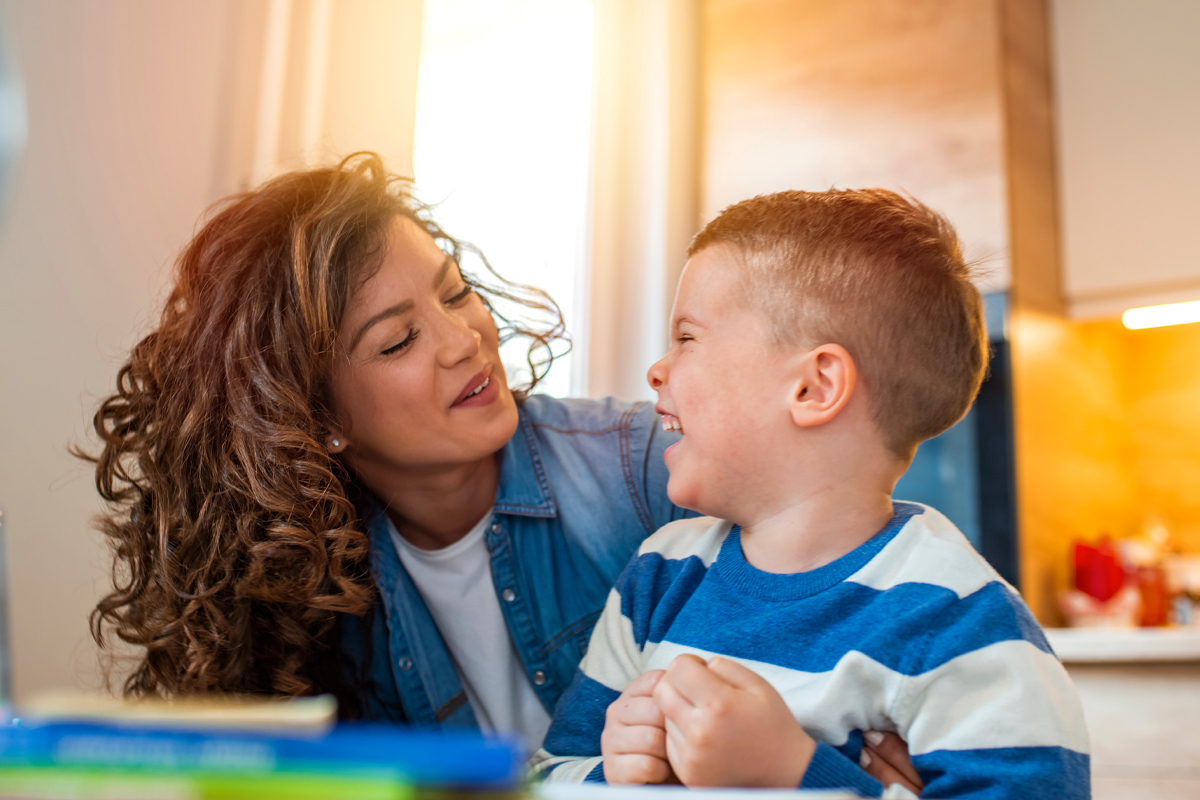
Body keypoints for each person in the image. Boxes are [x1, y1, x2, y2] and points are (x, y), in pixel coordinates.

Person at [79, 154, 918, 788]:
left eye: (453, 294)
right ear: (319, 419)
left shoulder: (643, 472)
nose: (463, 340)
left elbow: (876, 598)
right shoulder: (315, 591)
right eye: (399, 340)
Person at [532, 190, 1091, 798]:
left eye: (687, 338)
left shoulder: (958, 620)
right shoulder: (661, 575)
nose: (657, 370)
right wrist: (617, 771)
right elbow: (548, 777)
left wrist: (795, 772)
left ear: (814, 386)